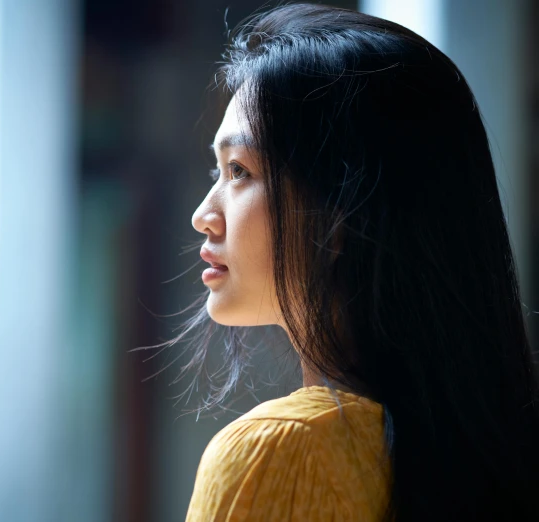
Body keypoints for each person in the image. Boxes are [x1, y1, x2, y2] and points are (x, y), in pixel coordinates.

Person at [179, 3, 539, 521]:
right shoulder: (484, 457)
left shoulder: (275, 453)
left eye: (238, 170)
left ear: (343, 210)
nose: (203, 216)